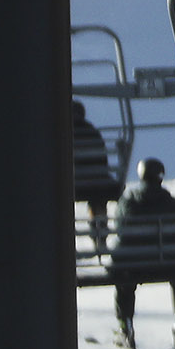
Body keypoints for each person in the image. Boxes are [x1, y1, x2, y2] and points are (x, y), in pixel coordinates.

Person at [110, 157, 175, 349]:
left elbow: (121, 229)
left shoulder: (128, 201)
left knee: (123, 281)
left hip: (134, 262)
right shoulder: (171, 202)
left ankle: (125, 327)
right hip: (169, 260)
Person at [71, 100, 121, 255]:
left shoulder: (61, 131)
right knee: (98, 200)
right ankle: (100, 236)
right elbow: (103, 162)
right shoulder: (92, 131)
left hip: (72, 182)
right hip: (98, 181)